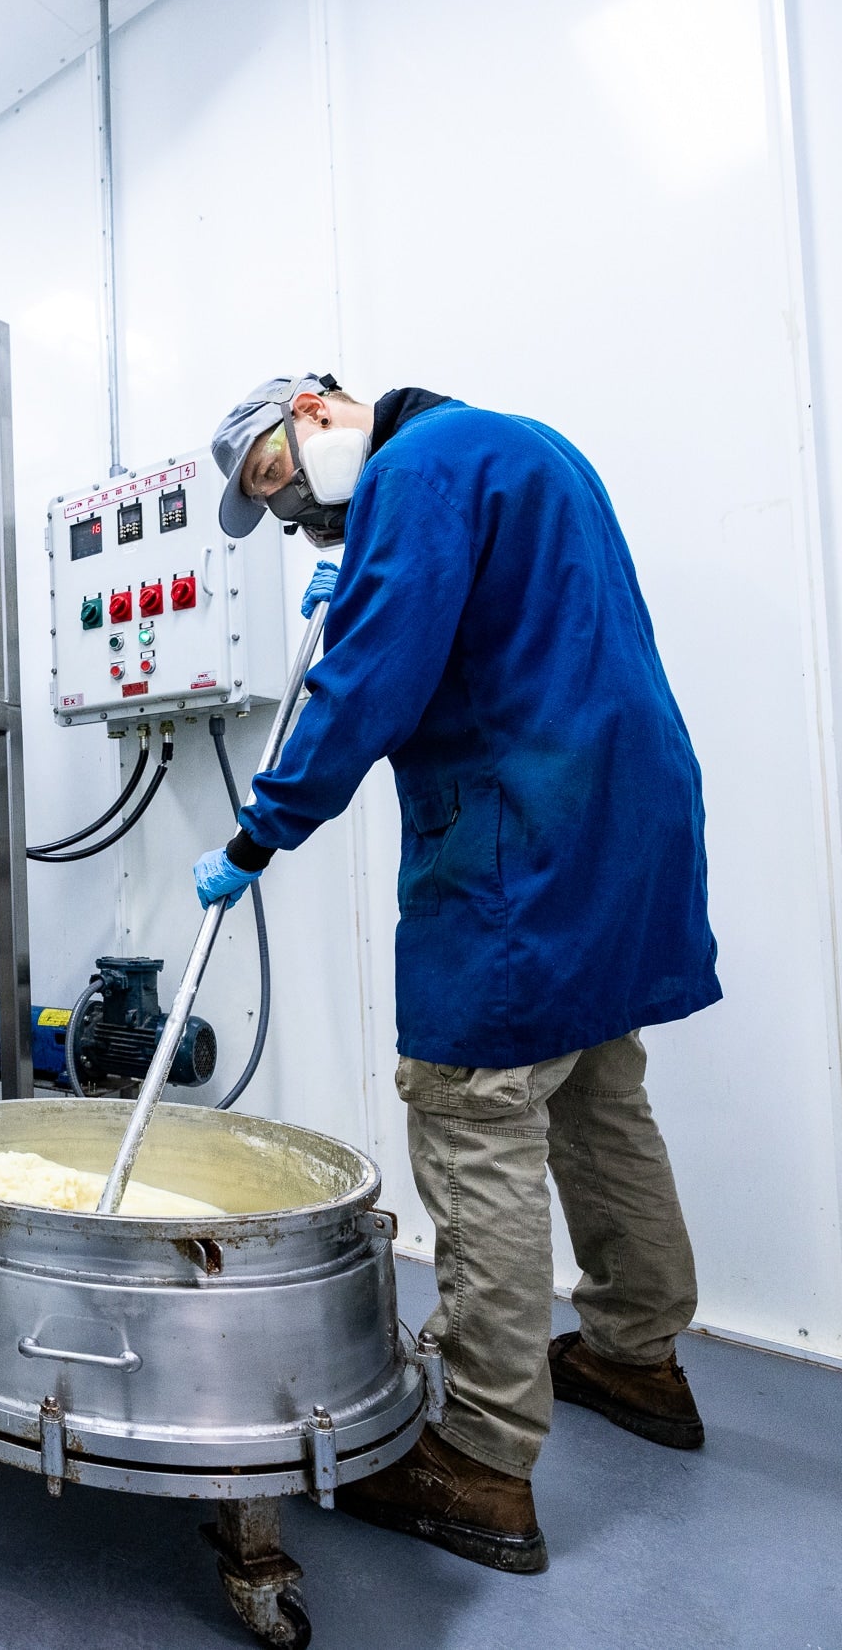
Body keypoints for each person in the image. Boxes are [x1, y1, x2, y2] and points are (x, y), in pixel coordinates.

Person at [200, 374, 720, 1574]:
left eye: (279, 482)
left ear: (320, 408)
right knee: (596, 1089)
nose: (294, 519)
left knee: (470, 1107)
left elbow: (372, 682)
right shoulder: (526, 443)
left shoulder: (414, 471)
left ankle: (481, 1457)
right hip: (625, 814)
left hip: (517, 835)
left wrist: (254, 833)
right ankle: (638, 1353)